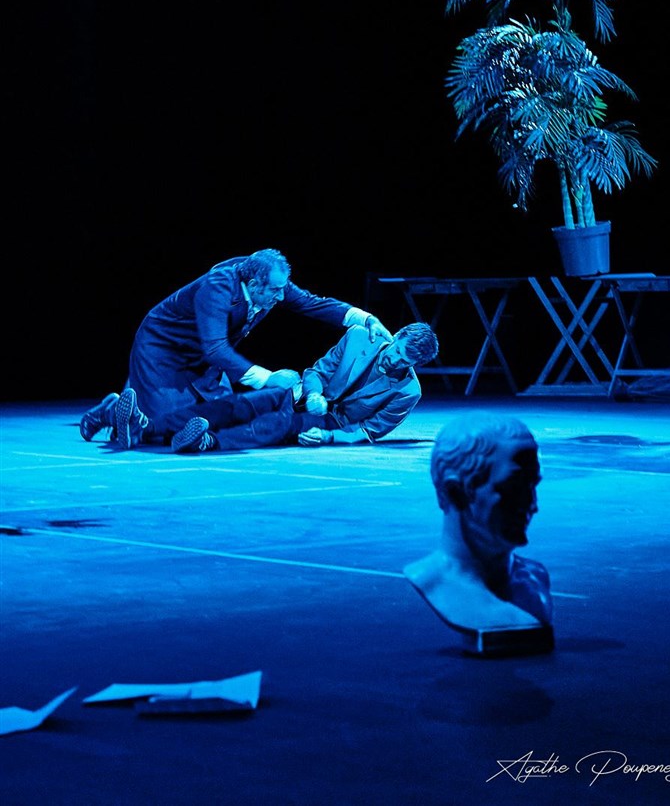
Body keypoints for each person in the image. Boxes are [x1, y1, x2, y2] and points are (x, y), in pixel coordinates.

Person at [80, 248, 392, 442]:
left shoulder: (269, 282)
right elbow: (216, 349)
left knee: (214, 417)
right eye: (275, 290)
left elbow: (312, 303)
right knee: (161, 429)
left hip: (203, 357)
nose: (281, 297)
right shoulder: (217, 288)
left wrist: (365, 319)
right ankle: (111, 412)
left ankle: (128, 416)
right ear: (254, 285)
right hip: (164, 349)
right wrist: (268, 378)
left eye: (282, 289)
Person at [84, 322, 439, 452]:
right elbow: (317, 370)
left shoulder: (408, 391)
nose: (394, 360)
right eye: (396, 351)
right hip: (302, 395)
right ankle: (145, 428)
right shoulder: (360, 337)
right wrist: (314, 392)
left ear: (414, 365)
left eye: (404, 362)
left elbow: (370, 430)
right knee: (235, 405)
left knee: (279, 424)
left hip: (331, 421)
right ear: (396, 336)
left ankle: (209, 442)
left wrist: (330, 435)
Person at [403, 411, 554, 652]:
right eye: (513, 489)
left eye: (533, 485)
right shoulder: (431, 581)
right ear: (456, 492)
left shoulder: (534, 579)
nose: (533, 506)